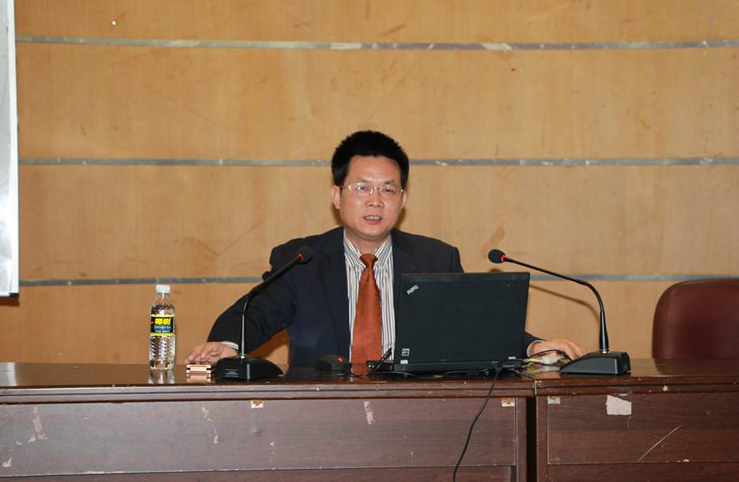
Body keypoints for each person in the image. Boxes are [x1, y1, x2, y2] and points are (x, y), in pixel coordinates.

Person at [185, 130, 582, 367]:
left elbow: (474, 326)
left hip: (413, 414)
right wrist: (226, 345)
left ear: (402, 199)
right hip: (321, 415)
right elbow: (254, 314)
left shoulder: (435, 259)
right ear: (337, 196)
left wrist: (533, 346)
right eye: (362, 188)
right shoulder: (302, 260)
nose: (375, 200)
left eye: (387, 190)